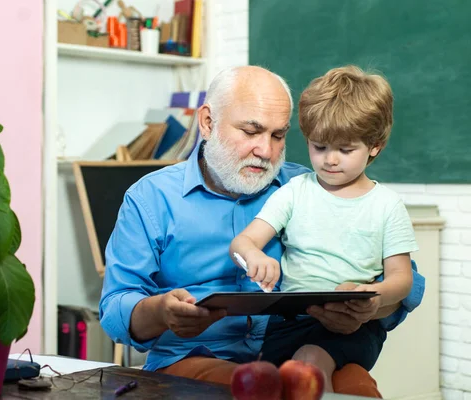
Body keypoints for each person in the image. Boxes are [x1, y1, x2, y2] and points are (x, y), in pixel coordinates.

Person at [99, 65, 425, 398]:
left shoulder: (311, 187)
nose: (266, 151)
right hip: (194, 357)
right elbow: (114, 310)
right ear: (208, 122)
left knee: (356, 390)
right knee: (266, 390)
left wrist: (365, 309)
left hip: (302, 346)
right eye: (251, 131)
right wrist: (161, 311)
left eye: (278, 135)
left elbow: (407, 283)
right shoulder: (150, 199)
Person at [230, 65, 418, 392]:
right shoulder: (294, 192)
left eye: (345, 150)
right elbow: (242, 242)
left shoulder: (387, 205)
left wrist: (373, 300)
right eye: (318, 146)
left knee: (309, 363)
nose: (330, 160)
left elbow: (402, 279)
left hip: (352, 325)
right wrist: (253, 256)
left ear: (375, 145)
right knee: (266, 379)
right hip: (289, 320)